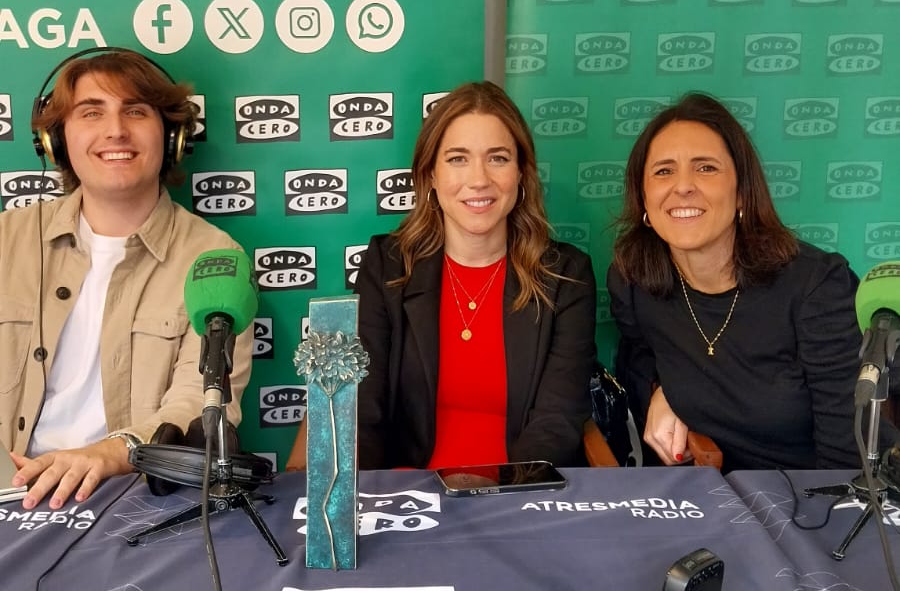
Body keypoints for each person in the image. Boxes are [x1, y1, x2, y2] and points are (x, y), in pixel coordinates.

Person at [3, 47, 253, 509]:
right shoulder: (6, 241)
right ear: (57, 140)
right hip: (12, 495)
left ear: (173, 136)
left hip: (136, 499)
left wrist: (109, 453)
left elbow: (197, 404)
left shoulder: (213, 258)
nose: (115, 130)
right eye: (91, 112)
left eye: (135, 111)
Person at [330, 81, 596, 470]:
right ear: (431, 175)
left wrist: (507, 502)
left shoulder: (566, 276)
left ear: (521, 172)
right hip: (408, 500)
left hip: (517, 499)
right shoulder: (386, 267)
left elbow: (555, 423)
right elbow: (362, 409)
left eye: (498, 158)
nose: (479, 180)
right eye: (457, 159)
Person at [607, 93, 861, 473]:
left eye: (705, 168)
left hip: (813, 503)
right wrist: (658, 389)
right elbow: (637, 359)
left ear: (742, 191)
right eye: (663, 171)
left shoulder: (817, 287)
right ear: (644, 200)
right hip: (709, 503)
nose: (683, 186)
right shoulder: (634, 281)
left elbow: (848, 455)